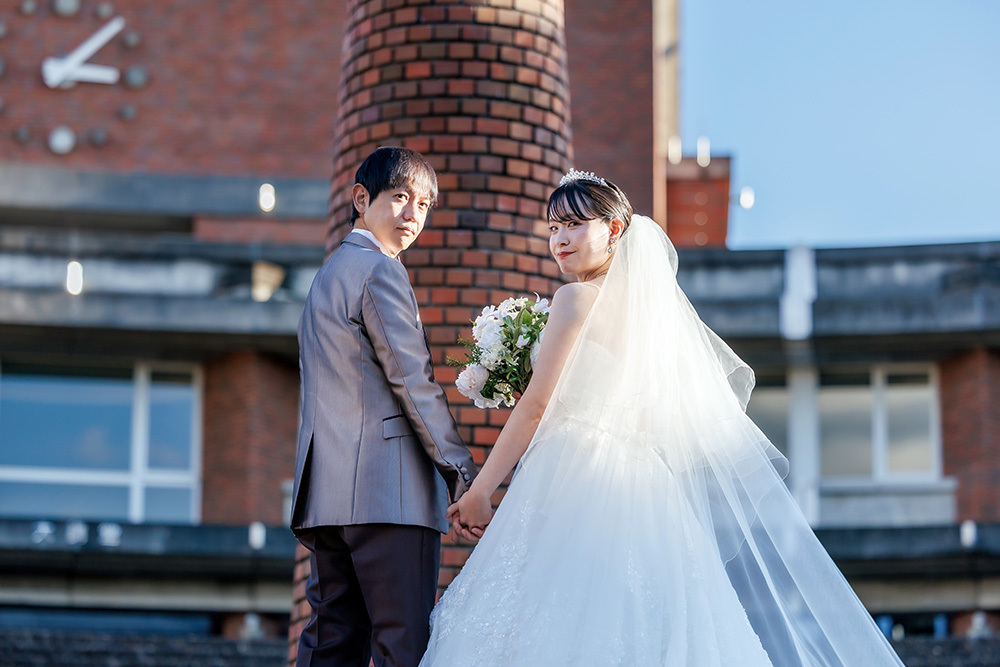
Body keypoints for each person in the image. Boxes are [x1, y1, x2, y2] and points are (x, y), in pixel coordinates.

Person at [423, 169, 904, 666]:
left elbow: (538, 405)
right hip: (646, 487)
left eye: (573, 225)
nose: (559, 239)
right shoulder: (652, 320)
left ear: (614, 230)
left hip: (575, 474)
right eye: (552, 228)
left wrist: (482, 490)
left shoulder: (574, 299)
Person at [291, 146, 482, 667]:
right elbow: (412, 382)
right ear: (361, 199)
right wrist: (462, 472)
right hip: (388, 494)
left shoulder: (327, 276)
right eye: (400, 197)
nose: (413, 214)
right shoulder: (380, 270)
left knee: (332, 641)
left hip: (328, 499)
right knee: (403, 647)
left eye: (423, 204)